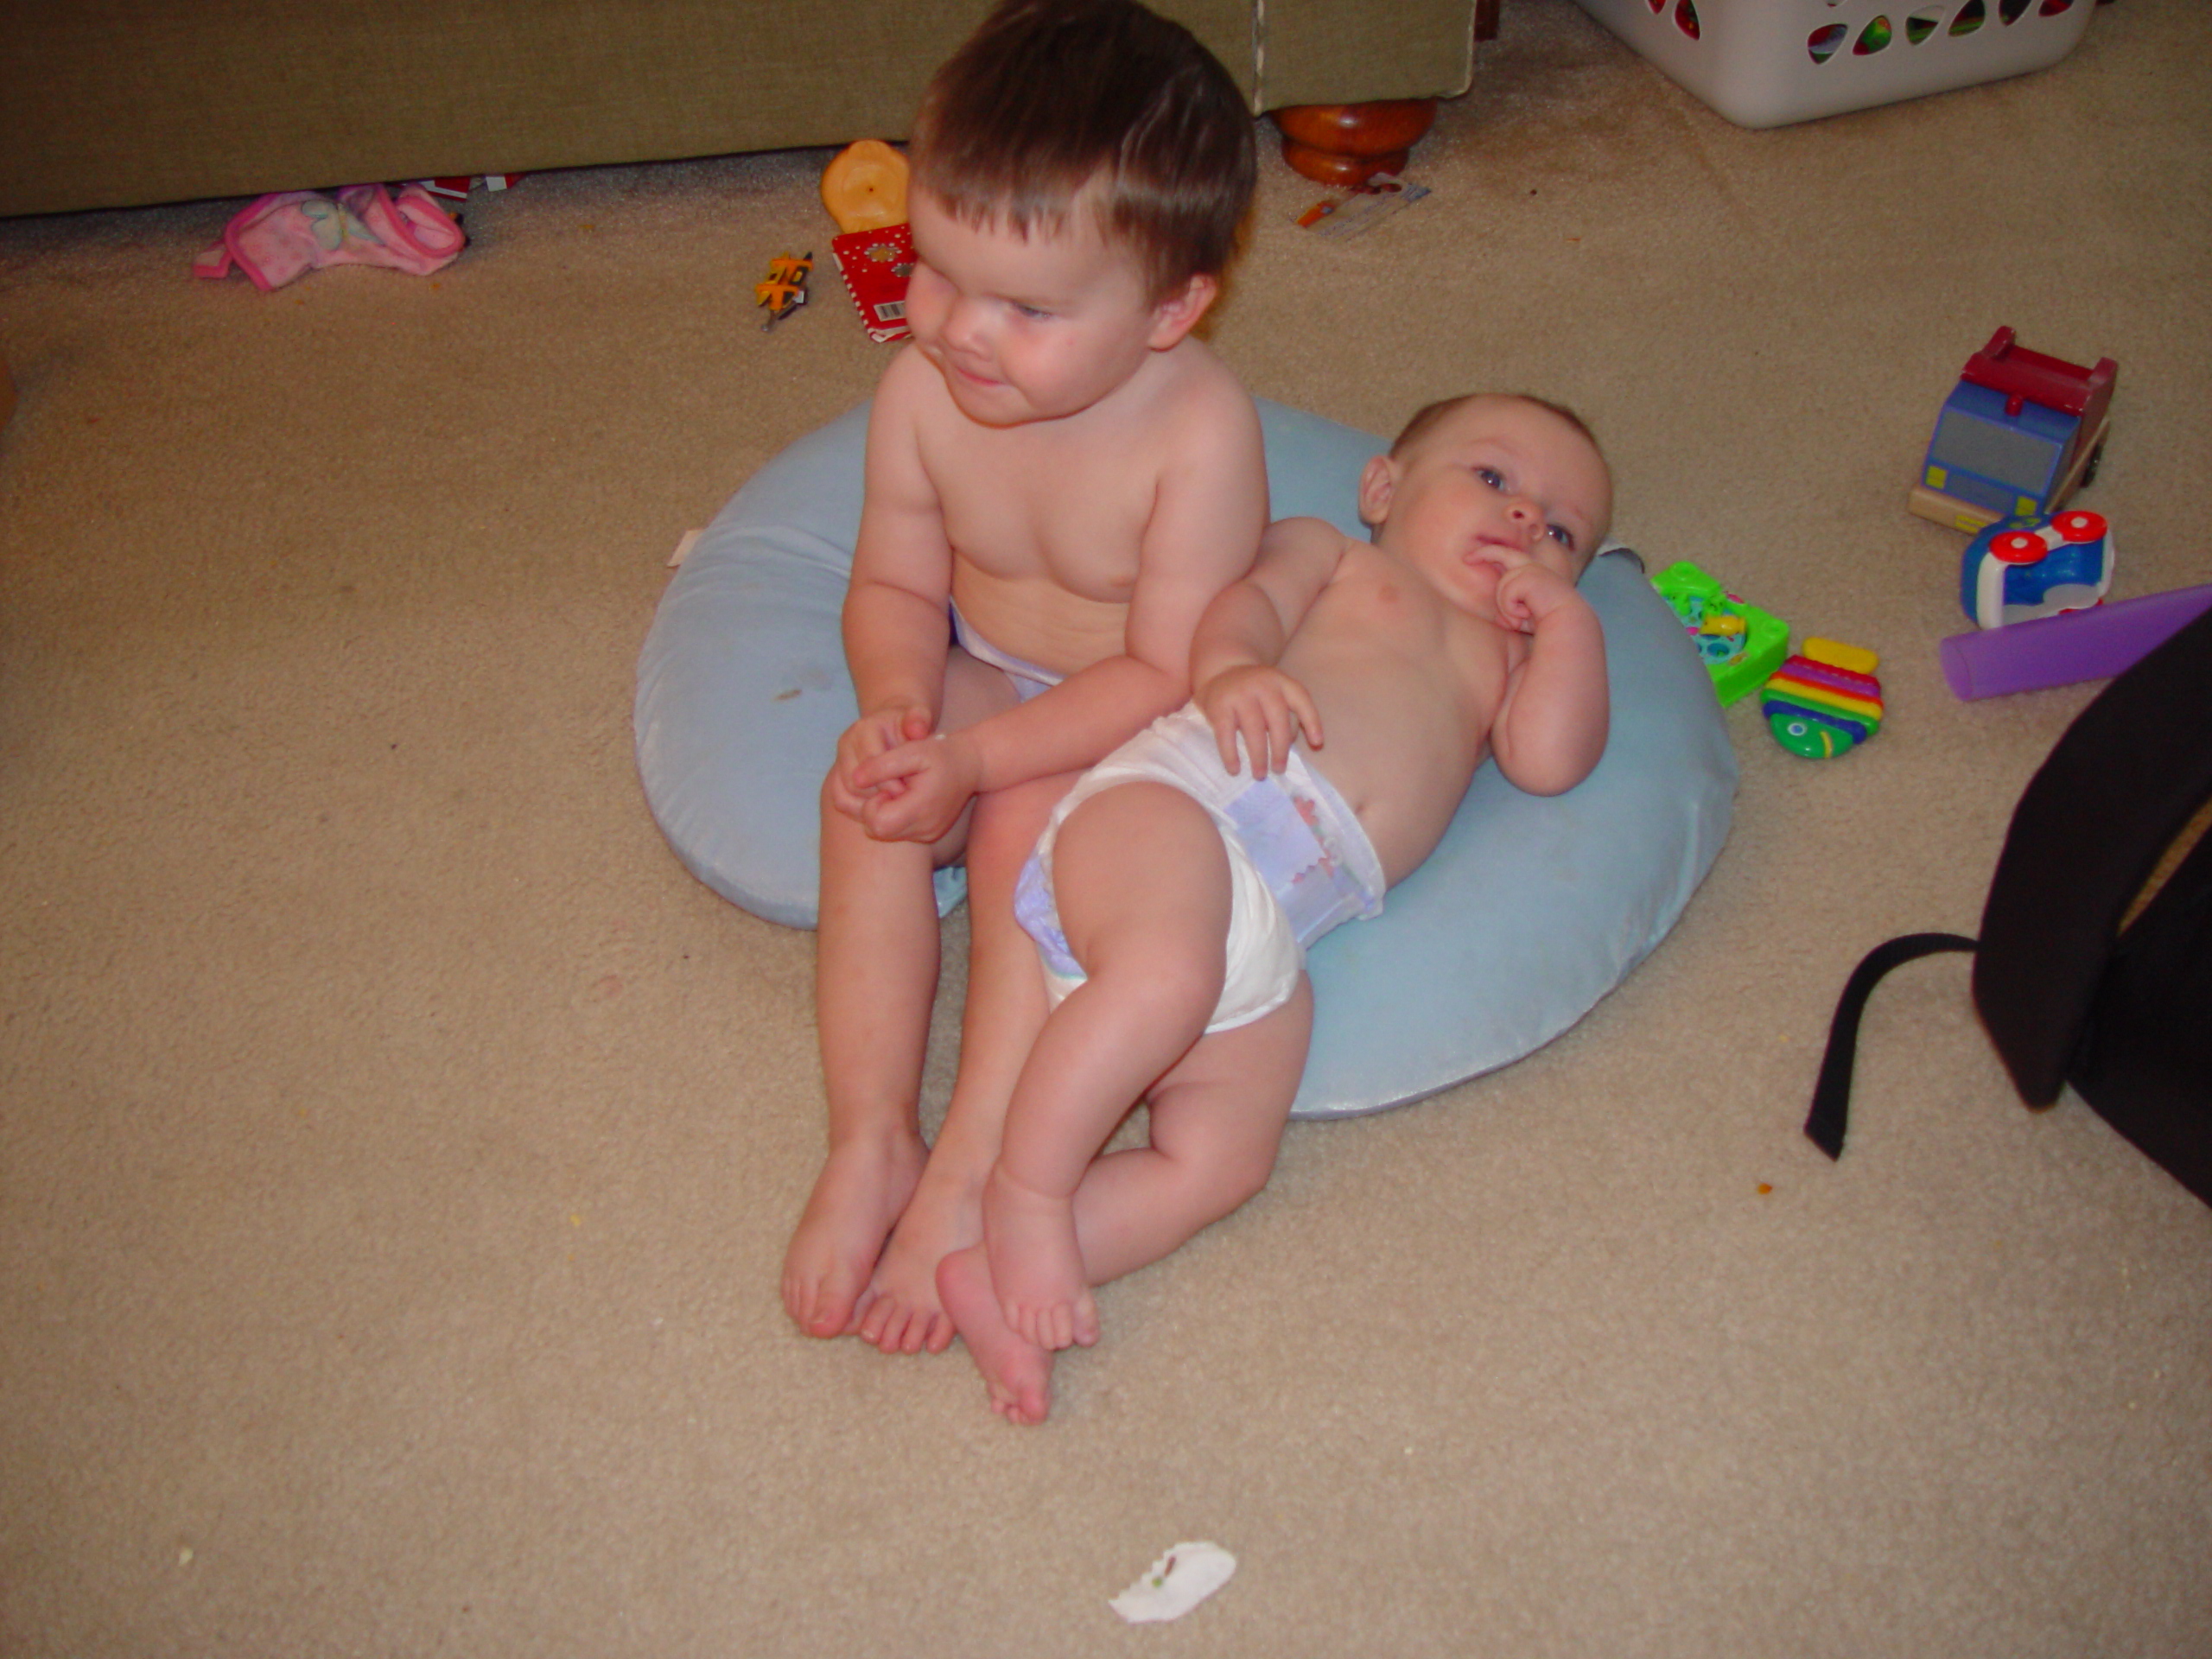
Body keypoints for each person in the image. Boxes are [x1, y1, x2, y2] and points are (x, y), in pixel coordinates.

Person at [936, 393, 1616, 1422]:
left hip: (1273, 927)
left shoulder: (1512, 660)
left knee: (1221, 1159)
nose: (1526, 520)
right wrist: (1232, 668)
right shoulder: (1340, 558)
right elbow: (1243, 604)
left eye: (1562, 532)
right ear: (1381, 489)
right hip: (1177, 805)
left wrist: (1566, 626)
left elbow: (1552, 762)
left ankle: (995, 1273)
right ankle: (1025, 1191)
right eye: (1492, 480)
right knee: (1166, 974)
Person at [780, 0, 1268, 1355]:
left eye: (1029, 308)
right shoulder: (922, 394)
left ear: (1174, 309)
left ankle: (965, 1179)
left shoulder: (1199, 437)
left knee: (1013, 846)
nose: (961, 331)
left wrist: (986, 764)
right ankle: (873, 1135)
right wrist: (903, 705)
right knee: (867, 798)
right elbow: (893, 587)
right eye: (938, 274)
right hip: (989, 678)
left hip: (1128, 721)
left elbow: (1170, 671)